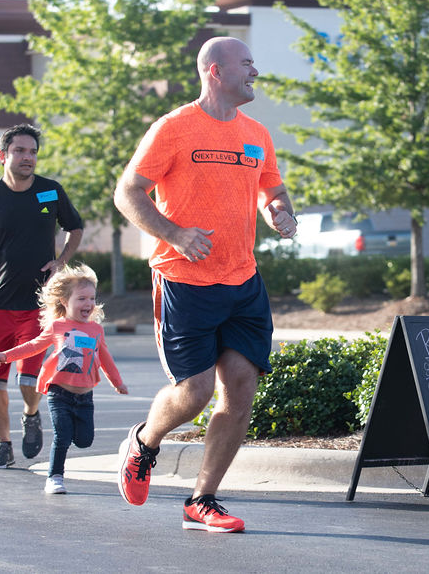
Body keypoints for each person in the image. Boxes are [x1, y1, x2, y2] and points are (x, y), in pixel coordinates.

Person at [112, 36, 297, 533]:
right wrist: (173, 233)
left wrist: (279, 210)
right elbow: (127, 192)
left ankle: (204, 498)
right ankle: (145, 442)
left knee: (240, 389)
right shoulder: (174, 128)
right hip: (184, 279)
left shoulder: (257, 133)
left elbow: (271, 188)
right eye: (246, 63)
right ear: (215, 71)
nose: (254, 71)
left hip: (243, 280)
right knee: (193, 394)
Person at [0, 123, 84, 470]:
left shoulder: (50, 191)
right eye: (20, 151)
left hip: (39, 305)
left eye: (33, 152)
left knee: (29, 378)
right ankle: (2, 444)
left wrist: (61, 261)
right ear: (3, 155)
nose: (28, 158)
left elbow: (75, 226)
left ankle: (31, 414)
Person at [0, 264, 128, 494]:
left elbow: (105, 358)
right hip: (59, 393)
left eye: (92, 298)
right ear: (65, 301)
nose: (88, 304)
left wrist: (117, 382)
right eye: (81, 298)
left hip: (85, 396)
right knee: (62, 435)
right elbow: (33, 346)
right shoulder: (58, 326)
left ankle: (68, 444)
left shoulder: (96, 330)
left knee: (84, 441)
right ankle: (55, 477)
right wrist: (6, 356)